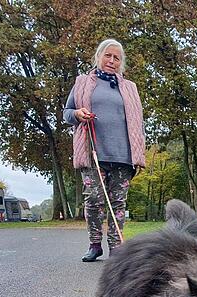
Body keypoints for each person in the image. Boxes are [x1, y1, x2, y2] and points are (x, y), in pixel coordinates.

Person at [64, 38, 146, 262]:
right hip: (93, 153)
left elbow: (138, 122)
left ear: (121, 62)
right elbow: (67, 113)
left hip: (123, 155)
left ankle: (117, 248)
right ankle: (95, 244)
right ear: (98, 57)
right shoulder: (82, 83)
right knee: (94, 200)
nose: (112, 60)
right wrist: (78, 114)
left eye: (116, 57)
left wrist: (139, 154)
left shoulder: (130, 88)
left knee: (118, 203)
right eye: (108, 56)